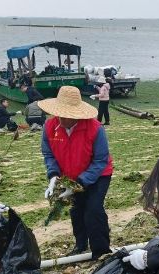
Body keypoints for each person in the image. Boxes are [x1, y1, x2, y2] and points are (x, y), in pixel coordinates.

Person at [39, 86, 113, 259]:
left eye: (68, 115)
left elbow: (101, 160)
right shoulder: (50, 127)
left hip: (99, 174)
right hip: (71, 176)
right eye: (61, 114)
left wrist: (80, 183)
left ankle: (101, 252)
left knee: (93, 210)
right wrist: (53, 177)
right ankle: (80, 245)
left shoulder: (95, 128)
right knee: (77, 209)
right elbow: (48, 154)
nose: (63, 119)